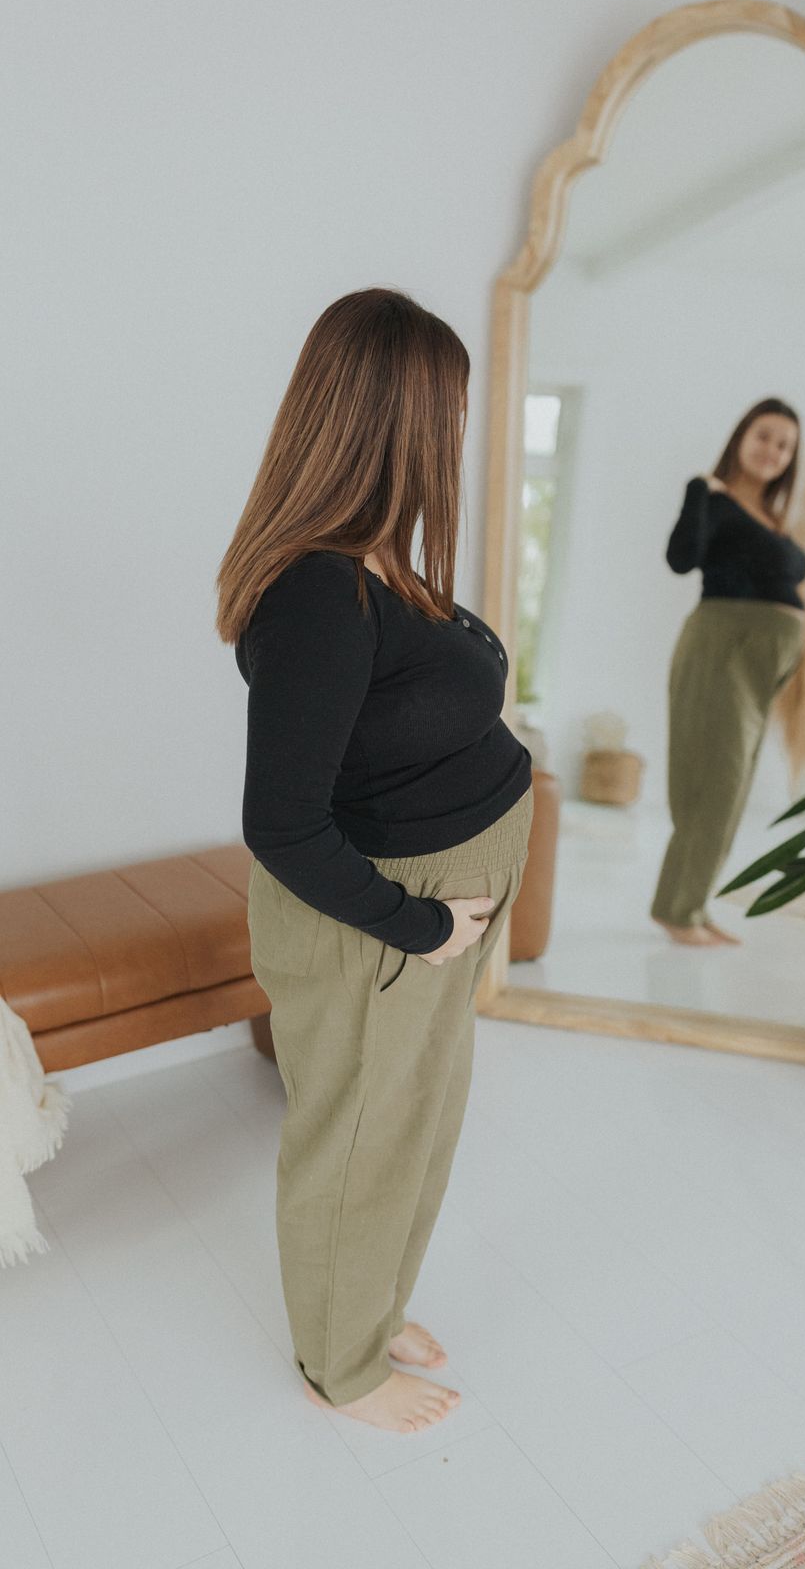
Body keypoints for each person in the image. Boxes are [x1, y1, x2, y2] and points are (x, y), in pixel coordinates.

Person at [215, 288, 534, 1434]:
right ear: (391, 421)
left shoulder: (371, 561)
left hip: (432, 918)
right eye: (443, 411)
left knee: (415, 1120)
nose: (454, 435)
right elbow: (282, 822)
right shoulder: (316, 594)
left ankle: (372, 1302)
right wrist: (421, 929)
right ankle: (339, 1363)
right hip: (388, 926)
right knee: (360, 1137)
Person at [650, 397, 805, 947]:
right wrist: (699, 490)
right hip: (723, 652)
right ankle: (676, 909)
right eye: (765, 436)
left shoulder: (774, 516)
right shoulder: (714, 499)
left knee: (734, 788)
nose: (773, 451)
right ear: (742, 436)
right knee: (713, 785)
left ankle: (691, 905)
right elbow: (679, 559)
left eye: (785, 445)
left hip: (760, 665)